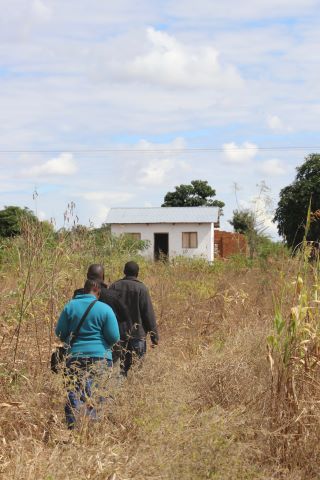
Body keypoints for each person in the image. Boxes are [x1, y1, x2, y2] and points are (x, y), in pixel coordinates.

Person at [55, 279, 120, 429]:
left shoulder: (70, 306)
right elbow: (114, 336)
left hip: (75, 356)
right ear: (97, 291)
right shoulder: (105, 309)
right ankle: (92, 428)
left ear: (85, 290)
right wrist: (103, 347)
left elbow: (59, 332)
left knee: (73, 392)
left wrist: (71, 341)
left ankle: (74, 427)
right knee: (96, 393)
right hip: (100, 357)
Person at [74, 264, 132, 364]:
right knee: (105, 378)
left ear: (87, 276)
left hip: (77, 352)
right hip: (106, 352)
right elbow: (126, 318)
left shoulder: (77, 295)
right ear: (103, 277)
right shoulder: (113, 296)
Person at [109, 261, 159, 376]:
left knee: (119, 370)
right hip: (138, 336)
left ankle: (119, 393)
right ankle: (133, 391)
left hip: (118, 335)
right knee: (137, 370)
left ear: (124, 272)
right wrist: (154, 337)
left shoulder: (114, 286)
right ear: (137, 273)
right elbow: (148, 314)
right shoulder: (142, 288)